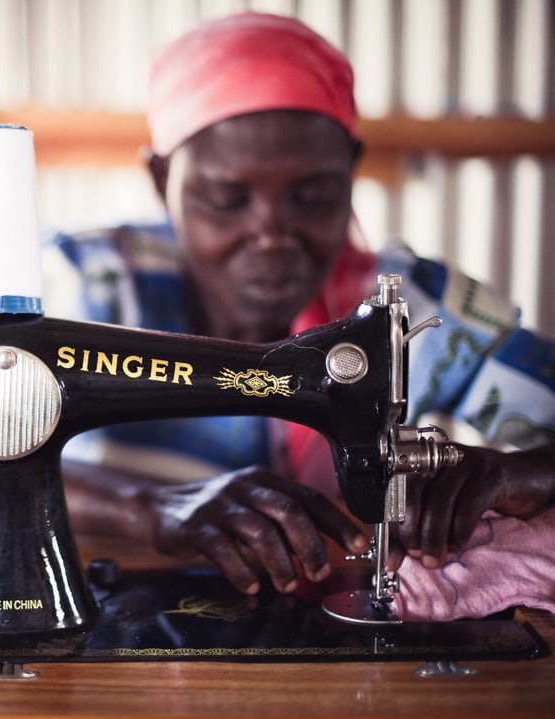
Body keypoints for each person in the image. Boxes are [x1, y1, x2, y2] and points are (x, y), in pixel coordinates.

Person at [41, 11, 555, 619]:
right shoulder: (92, 285)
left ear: (352, 169)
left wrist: (520, 474)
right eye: (227, 199)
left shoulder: (420, 307)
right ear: (161, 177)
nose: (272, 236)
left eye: (314, 196)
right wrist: (143, 507)